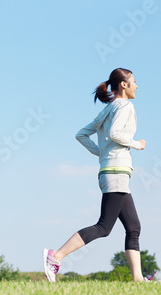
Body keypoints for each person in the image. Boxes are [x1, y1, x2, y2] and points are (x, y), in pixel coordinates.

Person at [43, 68, 147, 282]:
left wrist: (102, 152)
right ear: (124, 85)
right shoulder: (125, 106)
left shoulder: (107, 110)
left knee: (133, 227)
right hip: (116, 171)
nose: (137, 86)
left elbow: (81, 134)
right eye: (134, 81)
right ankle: (56, 256)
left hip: (111, 171)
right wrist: (137, 144)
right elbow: (116, 133)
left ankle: (138, 279)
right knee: (104, 227)